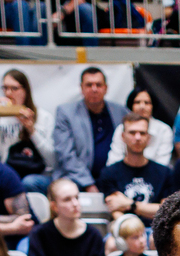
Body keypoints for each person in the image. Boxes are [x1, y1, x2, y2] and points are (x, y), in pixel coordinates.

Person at [52, 66, 126, 194]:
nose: (94, 89)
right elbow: (66, 155)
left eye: (98, 85)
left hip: (113, 178)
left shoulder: (121, 112)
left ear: (106, 88)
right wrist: (88, 184)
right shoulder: (66, 113)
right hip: (76, 179)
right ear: (81, 88)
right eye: (89, 85)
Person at [0, 69, 58, 196]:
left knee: (28, 182)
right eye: (5, 88)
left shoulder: (44, 117)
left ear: (25, 90)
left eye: (14, 88)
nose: (8, 93)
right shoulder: (0, 119)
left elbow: (52, 160)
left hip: (38, 175)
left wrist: (32, 131)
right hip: (9, 172)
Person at [24, 178, 105, 256]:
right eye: (67, 200)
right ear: (54, 206)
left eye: (77, 197)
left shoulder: (93, 235)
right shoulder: (39, 234)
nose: (75, 204)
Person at [99, 113, 170, 223]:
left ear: (148, 138)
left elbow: (166, 211)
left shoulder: (165, 173)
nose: (137, 138)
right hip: (124, 228)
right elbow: (115, 207)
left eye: (142, 133)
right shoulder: (109, 173)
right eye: (132, 133)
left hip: (156, 229)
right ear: (123, 136)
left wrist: (131, 204)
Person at [105, 88, 174, 168]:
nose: (142, 107)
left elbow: (162, 164)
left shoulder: (164, 130)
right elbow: (113, 161)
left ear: (153, 106)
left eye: (147, 103)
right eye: (137, 102)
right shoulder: (121, 129)